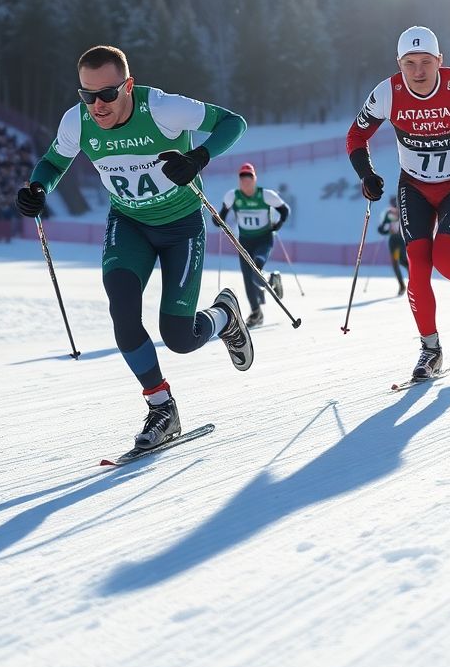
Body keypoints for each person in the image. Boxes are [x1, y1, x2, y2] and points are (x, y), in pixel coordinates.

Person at [16, 45, 253, 451]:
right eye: (87, 96)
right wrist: (38, 188)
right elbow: (53, 163)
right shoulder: (77, 122)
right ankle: (162, 408)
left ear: (127, 86)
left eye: (107, 94)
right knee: (122, 313)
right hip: (128, 224)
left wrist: (198, 156)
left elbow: (234, 123)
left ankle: (224, 316)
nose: (97, 106)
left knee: (178, 337)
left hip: (181, 228)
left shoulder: (162, 108)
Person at [346, 25, 450, 380]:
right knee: (418, 268)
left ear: (440, 60)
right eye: (410, 63)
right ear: (399, 63)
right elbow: (356, 135)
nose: (419, 71)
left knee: (445, 260)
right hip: (415, 188)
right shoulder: (387, 94)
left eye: (427, 61)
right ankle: (430, 348)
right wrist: (366, 174)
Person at [216, 162, 291, 327]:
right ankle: (256, 312)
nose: (245, 181)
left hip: (264, 239)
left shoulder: (266, 195)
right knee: (248, 278)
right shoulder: (233, 196)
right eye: (242, 178)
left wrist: (277, 225)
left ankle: (271, 279)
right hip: (244, 241)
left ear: (254, 179)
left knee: (255, 268)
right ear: (239, 180)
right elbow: (221, 216)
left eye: (249, 177)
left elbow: (285, 210)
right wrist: (218, 220)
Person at [375, 196, 408, 295]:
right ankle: (401, 285)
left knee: (403, 261)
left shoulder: (403, 213)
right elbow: (381, 229)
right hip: (393, 241)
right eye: (393, 205)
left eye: (396, 205)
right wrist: (387, 230)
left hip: (401, 240)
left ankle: (414, 281)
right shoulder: (389, 215)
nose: (394, 208)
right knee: (395, 262)